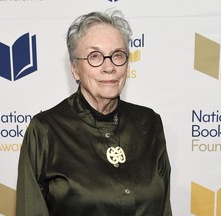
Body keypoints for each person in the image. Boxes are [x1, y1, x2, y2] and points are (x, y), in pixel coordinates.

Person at [16, 9, 172, 216]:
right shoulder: (45, 130)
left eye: (117, 55)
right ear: (74, 68)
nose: (109, 67)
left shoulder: (149, 123)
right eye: (94, 56)